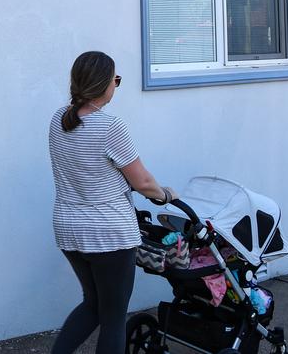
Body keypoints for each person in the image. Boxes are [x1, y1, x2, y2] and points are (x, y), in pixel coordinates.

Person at [48, 51, 178, 354]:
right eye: (116, 80)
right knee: (114, 317)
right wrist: (167, 195)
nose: (116, 86)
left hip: (69, 230)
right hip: (109, 235)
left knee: (93, 304)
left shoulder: (58, 119)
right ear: (104, 84)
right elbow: (143, 182)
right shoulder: (109, 126)